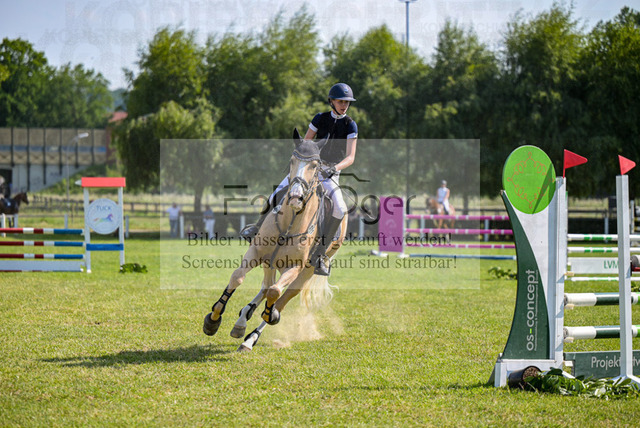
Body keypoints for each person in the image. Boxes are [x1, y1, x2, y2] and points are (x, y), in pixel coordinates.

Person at [240, 82, 358, 276]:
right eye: (340, 101)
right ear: (331, 101)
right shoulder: (320, 118)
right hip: (308, 169)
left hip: (330, 172)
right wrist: (301, 165)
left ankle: (320, 255)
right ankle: (257, 227)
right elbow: (305, 144)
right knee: (278, 191)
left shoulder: (350, 125)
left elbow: (350, 157)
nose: (344, 105)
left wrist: (334, 169)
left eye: (347, 102)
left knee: (339, 208)